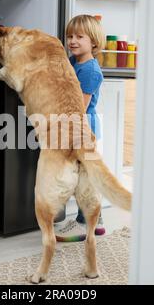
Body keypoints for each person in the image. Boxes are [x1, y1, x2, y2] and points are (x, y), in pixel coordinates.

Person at [54, 15, 106, 242]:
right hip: (77, 129)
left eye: (79, 37)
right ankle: (97, 222)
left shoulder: (90, 71)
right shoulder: (75, 62)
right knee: (85, 176)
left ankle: (85, 225)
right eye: (70, 36)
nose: (72, 41)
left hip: (84, 130)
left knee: (84, 179)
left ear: (94, 42)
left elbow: (79, 108)